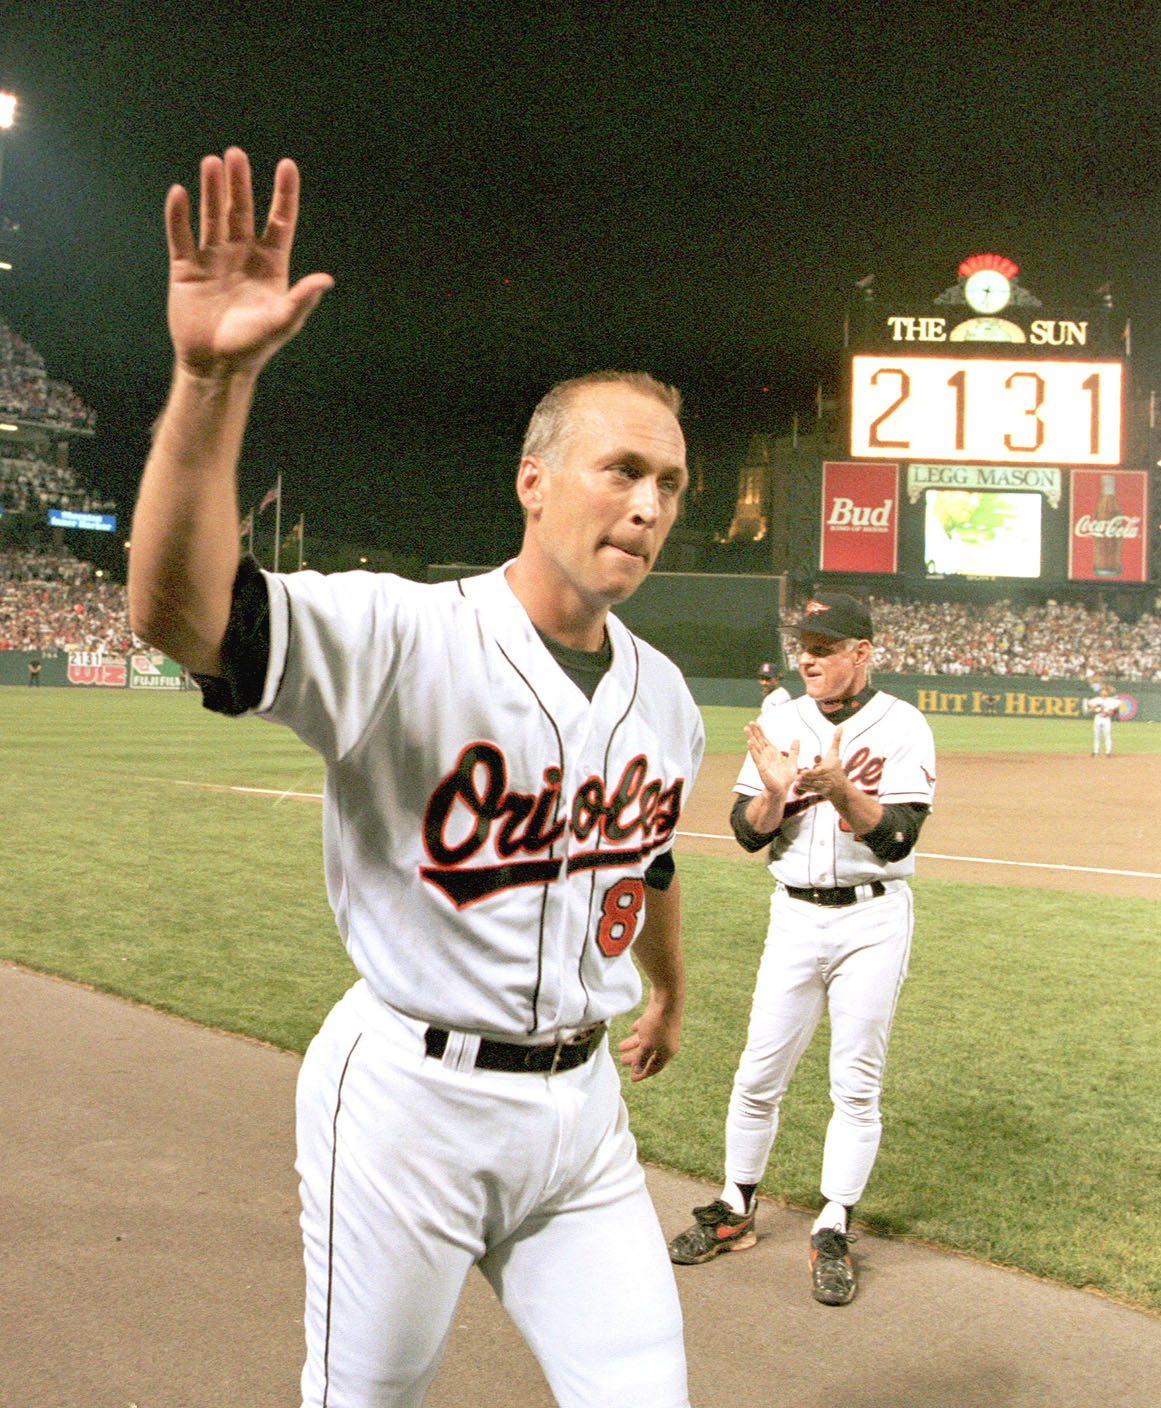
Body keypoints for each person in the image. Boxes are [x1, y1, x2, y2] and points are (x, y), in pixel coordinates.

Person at [127, 148, 703, 1408]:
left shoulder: (664, 696)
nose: (651, 503)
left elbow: (643, 861)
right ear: (533, 479)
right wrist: (209, 383)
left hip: (584, 1117)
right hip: (410, 1104)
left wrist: (664, 992)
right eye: (623, 469)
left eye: (669, 482)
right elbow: (179, 614)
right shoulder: (402, 635)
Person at [667, 592, 935, 1307]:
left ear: (861, 652)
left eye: (823, 644)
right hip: (793, 915)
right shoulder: (780, 722)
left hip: (872, 921)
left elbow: (899, 837)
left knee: (854, 1081)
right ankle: (734, 1207)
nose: (807, 656)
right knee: (758, 1069)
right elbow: (747, 833)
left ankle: (832, 1224)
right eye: (802, 644)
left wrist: (843, 791)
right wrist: (777, 793)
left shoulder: (903, 724)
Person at [1085, 683, 1121, 755]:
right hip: (1098, 717)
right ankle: (1096, 751)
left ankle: (1108, 752)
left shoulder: (1111, 701)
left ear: (1108, 693)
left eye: (1105, 693)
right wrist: (1097, 709)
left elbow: (1113, 710)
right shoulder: (1097, 700)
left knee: (1107, 735)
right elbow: (1091, 708)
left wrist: (1106, 711)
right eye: (1102, 693)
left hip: (1106, 719)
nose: (1104, 695)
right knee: (1096, 735)